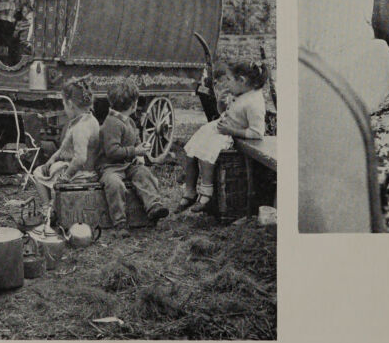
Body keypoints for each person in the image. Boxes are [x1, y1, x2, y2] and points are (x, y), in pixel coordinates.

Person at [178, 60, 268, 213]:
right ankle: (190, 190)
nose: (227, 84)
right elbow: (226, 113)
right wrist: (221, 103)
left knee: (206, 154)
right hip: (221, 128)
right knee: (190, 150)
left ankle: (206, 193)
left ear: (242, 81)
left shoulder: (254, 102)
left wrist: (230, 131)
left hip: (230, 135)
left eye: (229, 80)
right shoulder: (241, 93)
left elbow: (257, 133)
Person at [96, 78, 170, 236]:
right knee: (114, 184)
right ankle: (119, 222)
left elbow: (135, 139)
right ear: (133, 104)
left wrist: (140, 153)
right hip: (110, 167)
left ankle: (153, 206)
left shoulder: (129, 121)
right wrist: (135, 151)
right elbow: (112, 152)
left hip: (128, 165)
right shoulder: (111, 123)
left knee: (143, 174)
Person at [31, 79, 100, 225]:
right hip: (82, 170)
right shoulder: (87, 120)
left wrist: (65, 176)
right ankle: (53, 206)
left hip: (83, 174)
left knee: (38, 173)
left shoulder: (81, 128)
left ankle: (48, 209)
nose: (64, 108)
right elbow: (64, 148)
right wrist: (53, 158)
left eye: (64, 104)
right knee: (51, 167)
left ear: (70, 104)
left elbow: (80, 158)